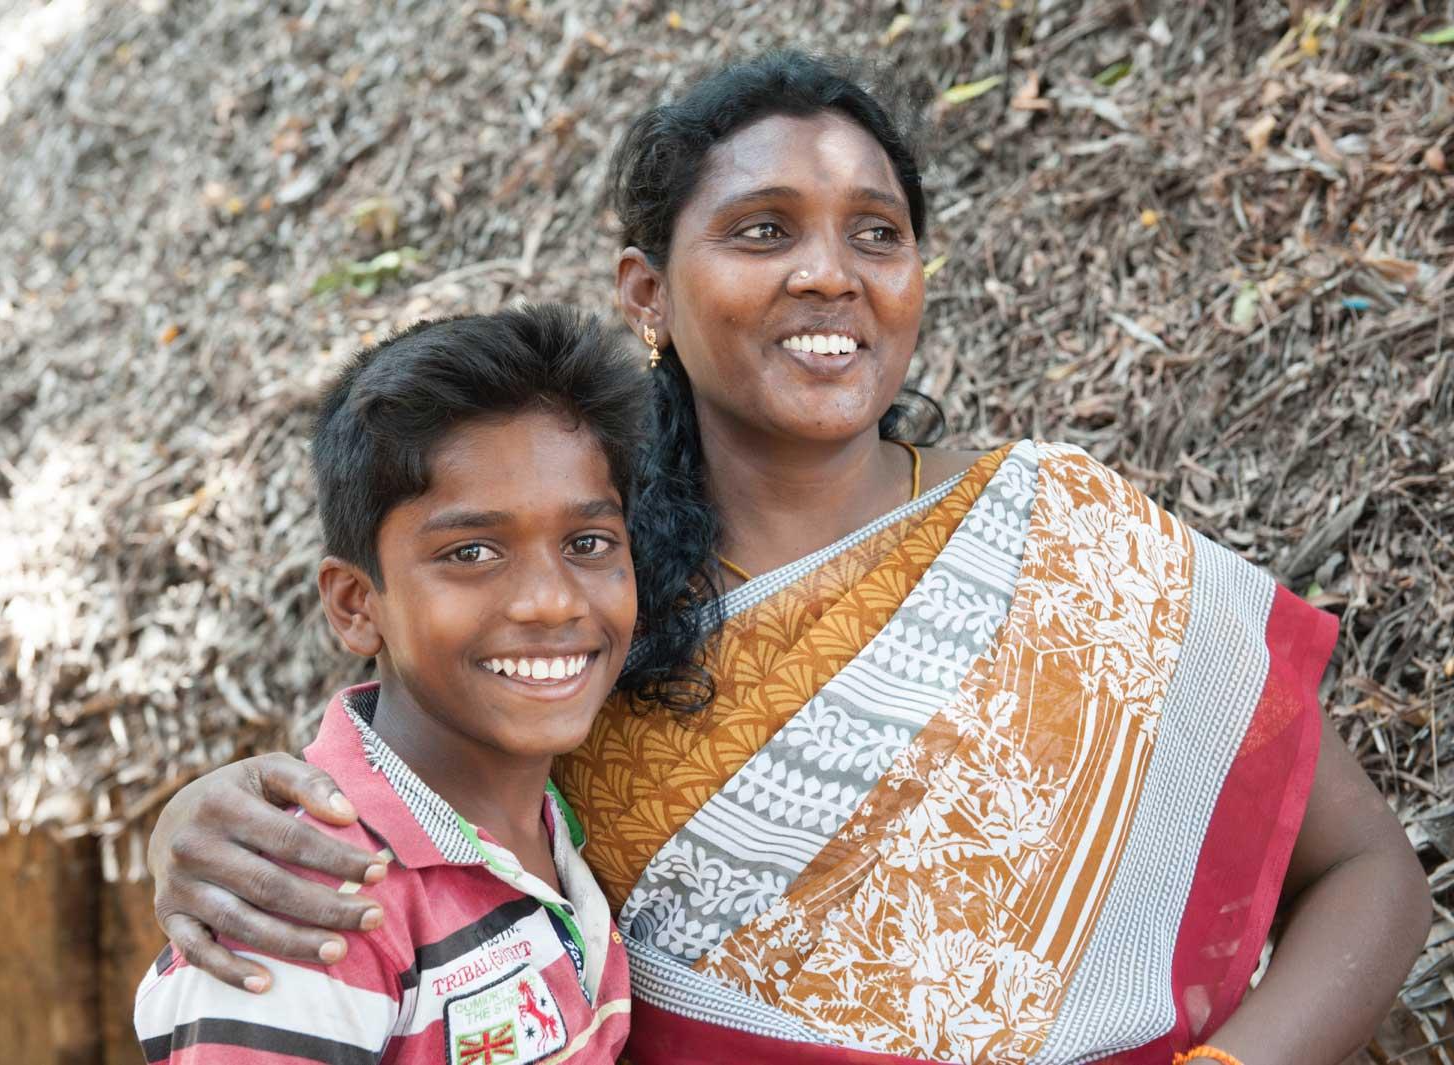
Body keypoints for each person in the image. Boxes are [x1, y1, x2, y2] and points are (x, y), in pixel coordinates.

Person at [142, 52, 1431, 1065]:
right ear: (646, 292)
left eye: (876, 233)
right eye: (762, 230)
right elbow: (400, 814)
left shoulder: (1074, 546)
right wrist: (198, 822)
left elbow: (1372, 876)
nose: (829, 273)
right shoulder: (580, 618)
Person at [133, 306, 645, 1063]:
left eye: (589, 542)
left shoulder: (554, 817)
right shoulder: (310, 908)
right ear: (355, 604)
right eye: (472, 551)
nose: (554, 600)